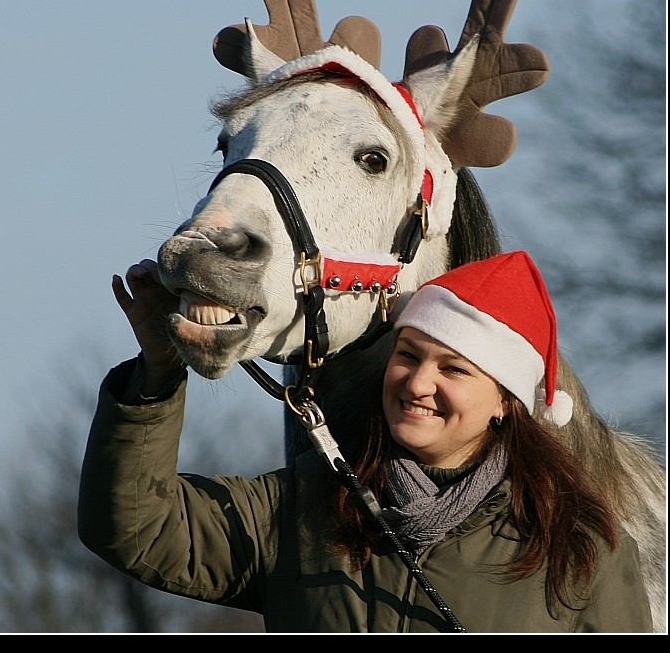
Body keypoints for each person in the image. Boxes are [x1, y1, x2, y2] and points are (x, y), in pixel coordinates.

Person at [78, 250, 653, 632]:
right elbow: (134, 528)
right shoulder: (300, 508)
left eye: (453, 370)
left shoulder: (575, 548)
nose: (418, 383)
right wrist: (157, 374)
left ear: (505, 401)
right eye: (408, 356)